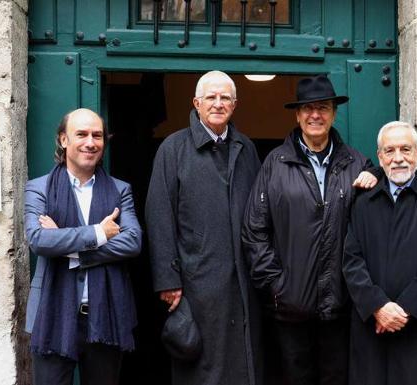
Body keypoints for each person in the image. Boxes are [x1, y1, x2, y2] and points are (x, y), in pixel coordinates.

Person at [242, 74, 376, 385]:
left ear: (334, 113)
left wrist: (378, 175)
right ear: (297, 114)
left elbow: (375, 227)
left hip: (341, 307)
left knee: (337, 378)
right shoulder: (275, 164)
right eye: (308, 108)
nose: (315, 115)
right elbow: (254, 231)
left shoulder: (357, 164)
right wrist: (277, 285)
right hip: (290, 306)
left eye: (323, 108)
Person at [146, 70, 262, 385]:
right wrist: (167, 280)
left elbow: (260, 213)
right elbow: (159, 216)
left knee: (242, 364)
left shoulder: (246, 148)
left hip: (242, 282)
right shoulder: (173, 149)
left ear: (235, 105)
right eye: (211, 97)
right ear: (197, 102)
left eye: (225, 98)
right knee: (201, 367)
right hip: (195, 282)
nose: (218, 103)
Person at [24, 108, 142, 385]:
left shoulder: (120, 190)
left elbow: (133, 241)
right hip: (51, 315)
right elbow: (38, 240)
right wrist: (100, 233)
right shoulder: (38, 188)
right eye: (82, 134)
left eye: (97, 135)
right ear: (64, 140)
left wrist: (67, 245)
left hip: (106, 315)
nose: (91, 142)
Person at [342, 121, 417, 385]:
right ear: (380, 157)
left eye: (405, 149)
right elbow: (352, 261)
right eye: (390, 150)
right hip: (373, 330)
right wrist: (377, 306)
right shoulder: (362, 203)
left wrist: (403, 309)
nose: (398, 158)